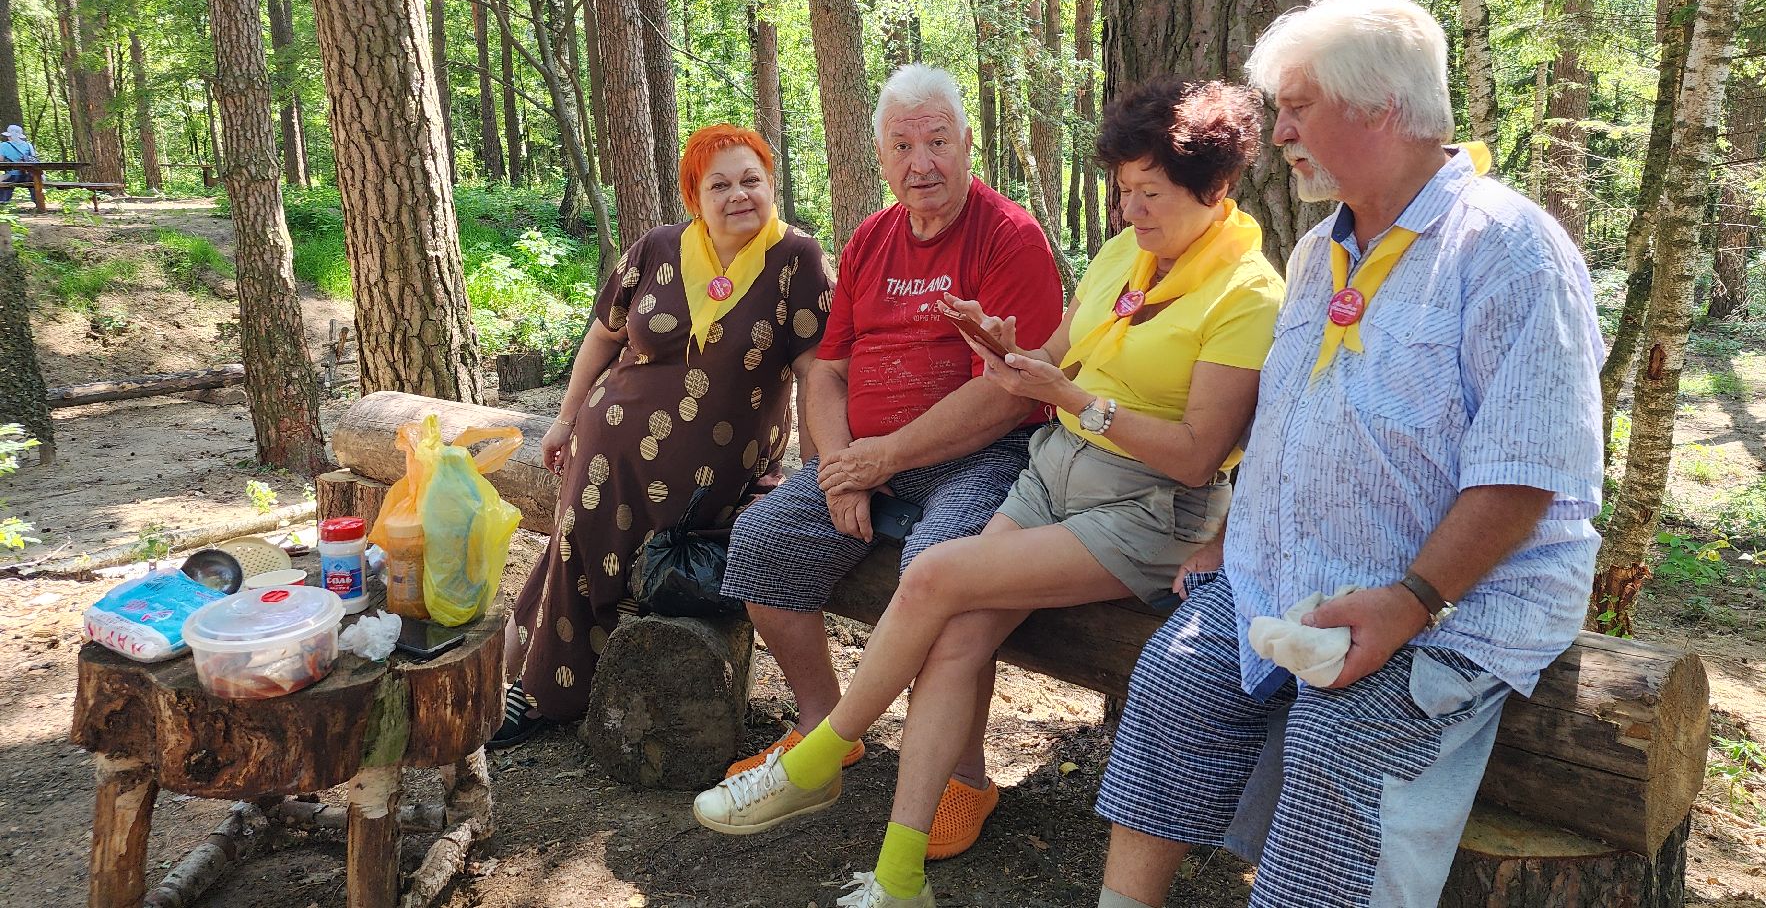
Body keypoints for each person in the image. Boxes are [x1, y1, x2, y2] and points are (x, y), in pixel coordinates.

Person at [694, 79, 1285, 908]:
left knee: (936, 574)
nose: (1129, 211)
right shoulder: (1126, 254)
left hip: (1145, 509)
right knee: (956, 636)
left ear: (1214, 188)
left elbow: (1196, 457)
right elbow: (1052, 359)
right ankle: (899, 876)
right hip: (1053, 474)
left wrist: (1071, 399)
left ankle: (817, 757)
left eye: (1149, 193)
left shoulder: (1248, 294)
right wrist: (1007, 352)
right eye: (1124, 190)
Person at [1090, 0, 1606, 908]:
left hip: (1450, 602)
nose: (1280, 133)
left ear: (1382, 108)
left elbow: (1527, 474)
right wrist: (1232, 537)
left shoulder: (1509, 250)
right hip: (1288, 575)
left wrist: (1411, 601)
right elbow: (1291, 421)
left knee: (1340, 745)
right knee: (1173, 685)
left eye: (1298, 107)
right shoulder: (1318, 251)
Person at [711, 63, 1065, 862]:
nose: (921, 163)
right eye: (903, 146)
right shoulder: (871, 239)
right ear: (881, 156)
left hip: (983, 457)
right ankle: (822, 730)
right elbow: (828, 372)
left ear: (967, 143)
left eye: (937, 141)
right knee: (761, 542)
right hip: (869, 458)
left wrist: (879, 460)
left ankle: (965, 776)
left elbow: (1009, 393)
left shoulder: (1009, 237)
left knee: (942, 576)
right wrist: (841, 466)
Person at [491, 124, 833, 746]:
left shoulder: (797, 259)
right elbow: (604, 335)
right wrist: (565, 419)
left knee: (583, 540)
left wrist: (814, 469)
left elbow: (816, 372)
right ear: (694, 198)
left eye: (751, 180)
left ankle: (530, 680)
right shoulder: (658, 248)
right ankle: (539, 689)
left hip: (717, 465)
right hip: (608, 439)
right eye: (719, 185)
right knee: (580, 535)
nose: (738, 195)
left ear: (772, 185)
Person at [1, 125, 38, 204]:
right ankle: (38, 202)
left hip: (12, 176)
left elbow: (1, 161)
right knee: (35, 181)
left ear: (10, 136)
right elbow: (34, 159)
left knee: (3, 179)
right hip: (28, 176)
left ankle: (3, 201)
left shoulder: (4, 145)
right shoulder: (28, 145)